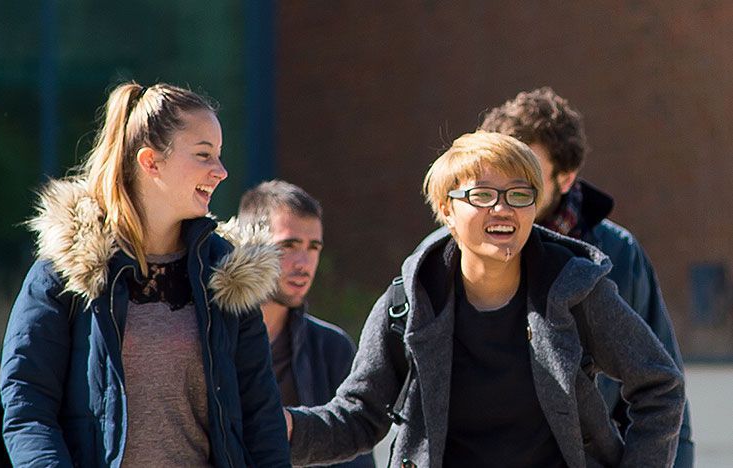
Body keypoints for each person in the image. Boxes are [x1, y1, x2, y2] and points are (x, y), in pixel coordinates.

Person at [285, 131, 684, 467]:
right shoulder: (408, 300)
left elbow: (660, 384)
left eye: (519, 195)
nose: (502, 208)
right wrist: (282, 427)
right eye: (482, 195)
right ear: (446, 209)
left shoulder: (576, 287)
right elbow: (359, 416)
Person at [0, 82, 290, 467]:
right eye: (204, 155)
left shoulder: (229, 276)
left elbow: (261, 420)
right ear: (151, 162)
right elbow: (27, 406)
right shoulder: (65, 271)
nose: (220, 171)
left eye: (219, 156)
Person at [479, 86, 693, 467]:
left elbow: (662, 388)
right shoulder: (449, 249)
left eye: (529, 175)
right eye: (503, 168)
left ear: (565, 179)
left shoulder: (618, 255)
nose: (509, 191)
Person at [236, 180, 376, 468]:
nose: (303, 263)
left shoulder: (331, 348)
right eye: (288, 245)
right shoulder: (212, 340)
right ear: (250, 246)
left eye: (313, 247)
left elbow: (355, 455)